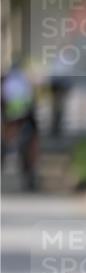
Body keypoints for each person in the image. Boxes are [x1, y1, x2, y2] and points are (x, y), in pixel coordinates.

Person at [1, 63, 39, 191]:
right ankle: (31, 171)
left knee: (9, 139)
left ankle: (7, 153)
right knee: (31, 143)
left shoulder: (8, 82)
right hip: (23, 117)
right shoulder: (24, 81)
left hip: (13, 117)